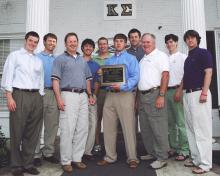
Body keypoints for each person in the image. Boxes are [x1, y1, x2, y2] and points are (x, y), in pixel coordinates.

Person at [1, 31, 44, 176]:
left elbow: (41, 80)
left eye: (35, 42)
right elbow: (7, 77)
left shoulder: (38, 60)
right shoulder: (14, 56)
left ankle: (28, 163)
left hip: (36, 97)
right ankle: (16, 166)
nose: (33, 43)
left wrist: (41, 97)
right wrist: (9, 96)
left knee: (32, 133)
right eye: (31, 40)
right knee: (17, 131)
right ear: (25, 41)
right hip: (19, 95)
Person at [51, 32, 95, 173]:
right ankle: (66, 161)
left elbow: (88, 79)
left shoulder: (82, 60)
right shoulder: (60, 59)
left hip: (82, 96)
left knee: (83, 128)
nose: (73, 43)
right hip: (67, 95)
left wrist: (89, 94)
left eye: (75, 41)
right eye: (70, 41)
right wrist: (58, 98)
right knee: (68, 129)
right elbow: (55, 80)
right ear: (65, 44)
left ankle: (77, 158)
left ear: (77, 43)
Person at [97, 33, 140, 168]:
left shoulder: (131, 58)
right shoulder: (108, 61)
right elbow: (103, 81)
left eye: (121, 41)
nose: (118, 43)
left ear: (125, 43)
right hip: (110, 95)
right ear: (113, 44)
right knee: (108, 127)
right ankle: (110, 156)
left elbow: (135, 77)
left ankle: (132, 157)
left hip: (125, 94)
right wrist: (100, 75)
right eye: (116, 41)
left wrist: (123, 85)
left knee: (128, 127)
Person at [182, 30, 213, 174]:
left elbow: (208, 72)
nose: (190, 40)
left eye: (192, 38)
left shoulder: (203, 53)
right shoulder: (189, 58)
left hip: (199, 93)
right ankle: (196, 159)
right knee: (191, 129)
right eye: (187, 39)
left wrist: (204, 92)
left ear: (197, 39)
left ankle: (206, 164)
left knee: (202, 130)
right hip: (187, 95)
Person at [138, 33, 169, 169]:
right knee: (146, 128)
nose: (145, 44)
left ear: (154, 42)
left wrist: (161, 95)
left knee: (158, 127)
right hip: (142, 96)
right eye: (143, 42)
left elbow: (165, 75)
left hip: (155, 94)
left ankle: (162, 157)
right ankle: (152, 153)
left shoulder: (160, 56)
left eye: (148, 42)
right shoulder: (143, 59)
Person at [33, 33, 59, 166]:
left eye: (54, 41)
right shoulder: (36, 58)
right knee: (37, 124)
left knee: (52, 125)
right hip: (40, 93)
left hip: (54, 94)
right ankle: (36, 154)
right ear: (44, 42)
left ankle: (48, 153)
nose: (52, 43)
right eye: (50, 41)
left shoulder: (58, 59)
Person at [164, 34, 189, 161]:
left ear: (176, 43)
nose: (169, 44)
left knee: (180, 122)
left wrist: (179, 90)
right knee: (170, 123)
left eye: (171, 42)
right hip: (166, 92)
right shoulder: (165, 58)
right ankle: (173, 148)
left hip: (177, 90)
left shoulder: (183, 57)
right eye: (167, 42)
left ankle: (184, 149)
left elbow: (186, 76)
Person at [81, 38, 100, 159]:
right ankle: (78, 150)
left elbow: (97, 82)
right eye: (86, 46)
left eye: (90, 46)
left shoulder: (96, 65)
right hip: (79, 94)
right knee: (81, 125)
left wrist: (95, 96)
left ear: (93, 49)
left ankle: (87, 151)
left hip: (92, 96)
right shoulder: (77, 62)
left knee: (93, 123)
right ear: (82, 48)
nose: (88, 48)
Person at [93, 37, 112, 154]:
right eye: (100, 44)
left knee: (110, 120)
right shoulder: (94, 59)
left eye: (104, 44)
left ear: (107, 45)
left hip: (111, 91)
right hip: (99, 91)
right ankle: (97, 143)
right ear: (98, 46)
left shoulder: (113, 58)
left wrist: (104, 71)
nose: (102, 46)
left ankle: (109, 145)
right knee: (97, 119)